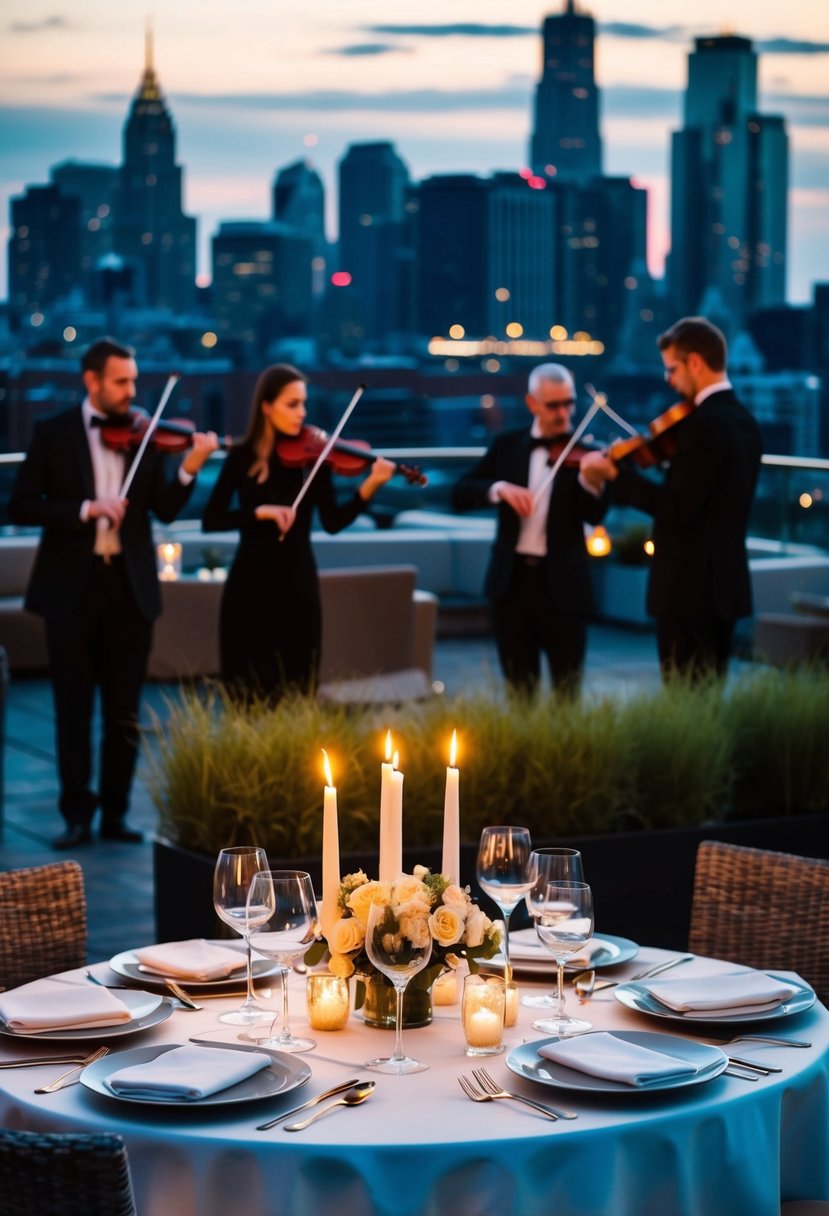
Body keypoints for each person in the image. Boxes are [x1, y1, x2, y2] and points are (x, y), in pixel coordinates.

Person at [8, 337, 218, 849]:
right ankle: (77, 815)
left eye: (133, 381)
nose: (131, 391)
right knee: (73, 710)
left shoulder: (144, 435)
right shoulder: (53, 432)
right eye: (121, 382)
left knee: (124, 711)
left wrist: (192, 465)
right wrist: (86, 508)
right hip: (71, 589)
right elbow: (20, 505)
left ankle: (117, 815)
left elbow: (166, 508)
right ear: (93, 381)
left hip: (129, 589)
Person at [580, 316, 763, 680]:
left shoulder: (702, 425)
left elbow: (675, 508)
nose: (668, 380)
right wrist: (667, 467)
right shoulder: (744, 421)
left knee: (686, 701)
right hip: (725, 585)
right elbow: (708, 494)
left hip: (688, 591)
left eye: (672, 369)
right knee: (709, 698)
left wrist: (616, 475)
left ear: (695, 362)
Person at [201, 364, 395, 701]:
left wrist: (370, 486)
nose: (301, 414)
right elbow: (211, 519)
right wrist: (258, 512)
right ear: (267, 405)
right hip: (249, 586)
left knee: (297, 687)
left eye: (303, 404)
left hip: (297, 586)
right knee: (245, 689)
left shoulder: (314, 459)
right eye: (292, 404)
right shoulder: (241, 456)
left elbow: (333, 522)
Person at [451, 363, 609, 696]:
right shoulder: (507, 445)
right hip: (512, 585)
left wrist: (593, 483)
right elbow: (459, 493)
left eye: (568, 403)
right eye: (553, 405)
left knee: (568, 692)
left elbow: (595, 513)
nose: (564, 413)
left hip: (565, 587)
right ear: (532, 403)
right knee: (518, 689)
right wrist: (499, 489)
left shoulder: (587, 455)